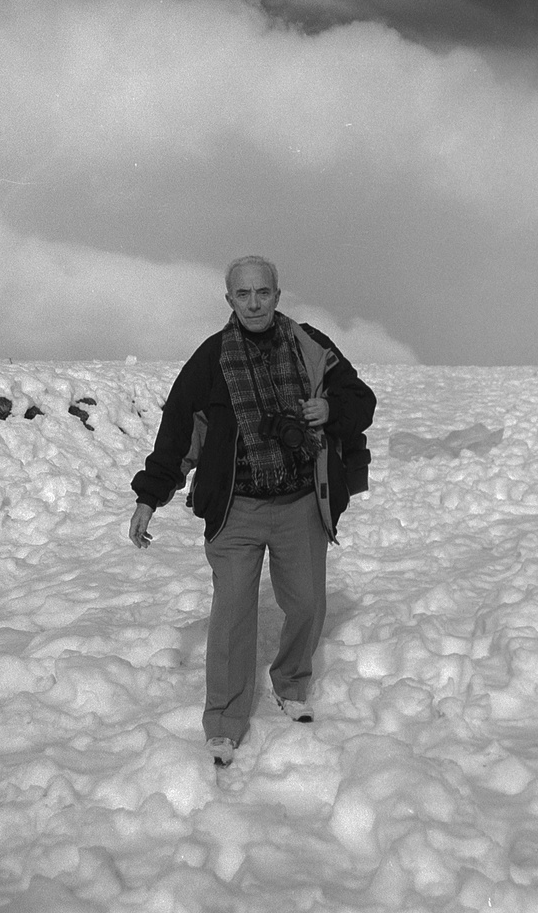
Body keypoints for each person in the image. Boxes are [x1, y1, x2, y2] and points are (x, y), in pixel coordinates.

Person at [129, 256, 376, 767]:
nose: (255, 302)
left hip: (300, 504)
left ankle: (290, 682)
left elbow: (360, 399)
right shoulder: (212, 358)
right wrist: (149, 496)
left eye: (264, 292)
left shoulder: (309, 345)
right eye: (244, 294)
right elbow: (177, 432)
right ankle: (224, 719)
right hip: (236, 509)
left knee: (307, 604)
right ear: (229, 300)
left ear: (278, 295)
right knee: (232, 616)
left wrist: (331, 410)